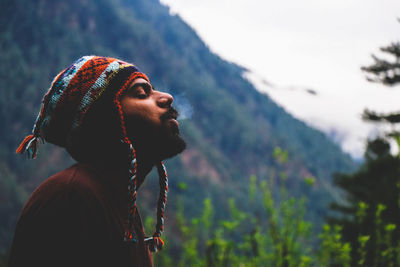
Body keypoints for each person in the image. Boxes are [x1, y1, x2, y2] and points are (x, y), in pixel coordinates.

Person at [8, 56, 186, 267]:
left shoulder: (118, 208)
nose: (166, 97)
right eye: (141, 93)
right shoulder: (72, 197)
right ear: (105, 119)